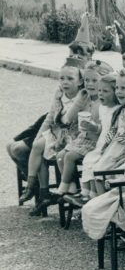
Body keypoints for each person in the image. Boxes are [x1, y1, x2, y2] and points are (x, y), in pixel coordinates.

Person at [19, 58, 86, 209]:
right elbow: (50, 118)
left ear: (80, 81)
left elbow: (74, 121)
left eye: (70, 79)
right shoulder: (59, 96)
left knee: (48, 151)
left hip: (74, 135)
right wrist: (39, 136)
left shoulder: (82, 97)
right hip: (57, 133)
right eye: (62, 78)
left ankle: (62, 190)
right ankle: (33, 188)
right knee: (37, 146)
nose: (65, 82)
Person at [53, 60, 112, 197]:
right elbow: (67, 119)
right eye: (87, 80)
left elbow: (106, 127)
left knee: (70, 156)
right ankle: (72, 187)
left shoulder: (103, 101)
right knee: (61, 155)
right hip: (82, 139)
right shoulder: (86, 98)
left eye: (94, 80)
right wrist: (79, 100)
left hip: (95, 142)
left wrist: (92, 127)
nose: (90, 84)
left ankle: (63, 187)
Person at [68, 73, 120, 206]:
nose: (101, 94)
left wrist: (105, 147)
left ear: (116, 93)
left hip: (110, 145)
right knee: (88, 159)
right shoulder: (103, 108)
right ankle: (86, 193)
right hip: (101, 143)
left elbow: (114, 131)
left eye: (106, 91)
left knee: (95, 164)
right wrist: (93, 127)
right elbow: (102, 128)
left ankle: (93, 196)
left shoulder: (117, 110)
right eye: (100, 91)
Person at [92, 68, 125, 195]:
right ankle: (101, 202)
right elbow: (113, 130)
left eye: (124, 88)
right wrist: (105, 147)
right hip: (114, 148)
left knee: (112, 177)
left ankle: (110, 203)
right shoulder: (119, 111)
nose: (118, 92)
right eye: (117, 88)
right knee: (99, 172)